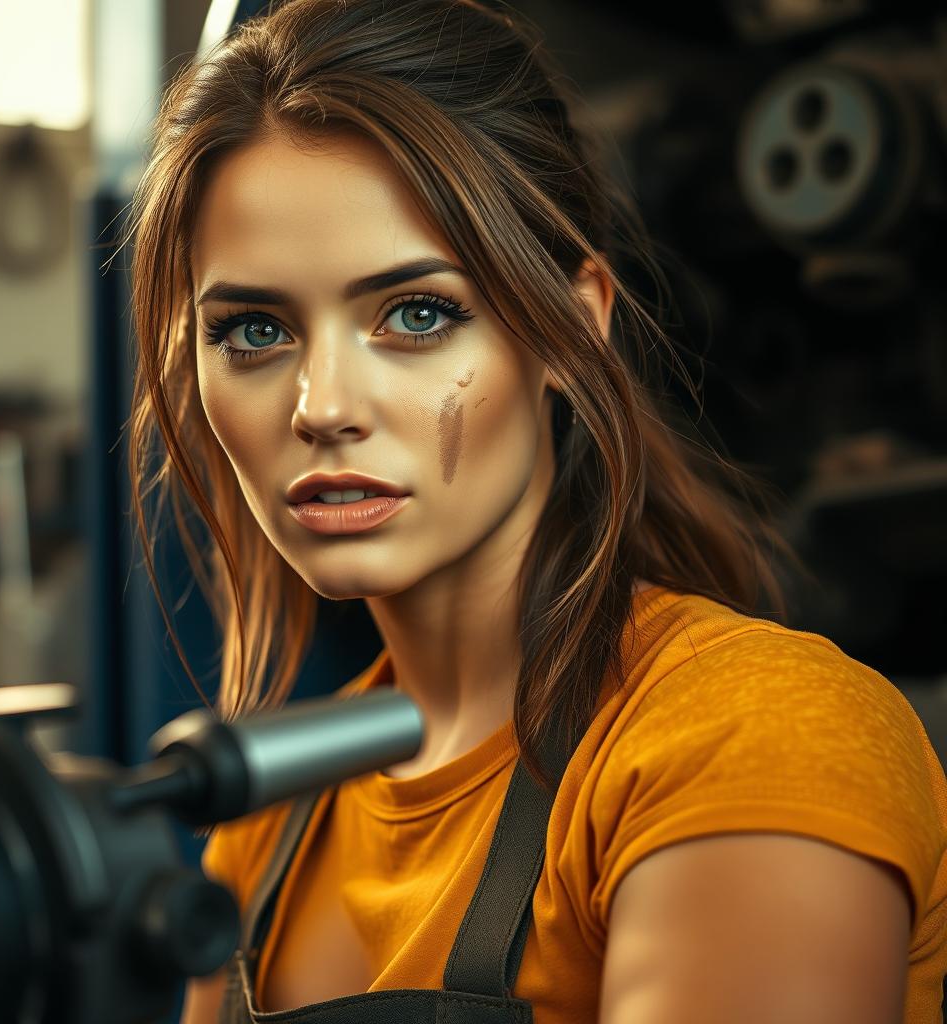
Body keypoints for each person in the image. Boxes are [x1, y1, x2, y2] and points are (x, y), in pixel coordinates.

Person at [120, 1, 947, 1021]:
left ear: (571, 331)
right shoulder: (272, 818)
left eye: (417, 315)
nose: (322, 406)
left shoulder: (749, 734)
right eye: (253, 329)